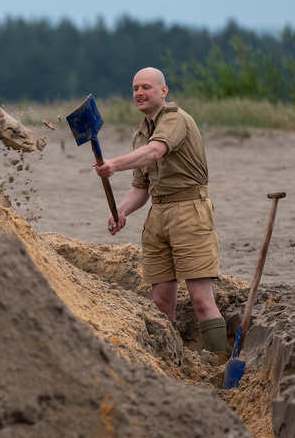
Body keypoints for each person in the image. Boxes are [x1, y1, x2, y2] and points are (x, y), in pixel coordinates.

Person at [93, 67, 228, 364]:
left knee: (201, 300)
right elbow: (141, 188)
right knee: (161, 302)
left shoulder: (175, 119)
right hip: (158, 214)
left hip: (189, 212)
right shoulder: (140, 133)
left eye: (146, 87)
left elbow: (154, 152)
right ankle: (171, 366)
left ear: (163, 91)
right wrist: (121, 211)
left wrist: (114, 164)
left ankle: (220, 366)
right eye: (135, 89)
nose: (139, 93)